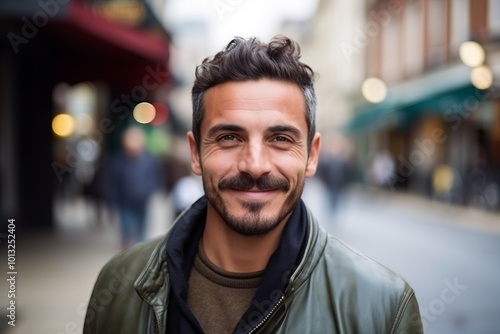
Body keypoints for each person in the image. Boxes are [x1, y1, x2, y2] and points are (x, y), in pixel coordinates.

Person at [84, 36, 423, 333]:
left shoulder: (383, 307)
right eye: (229, 137)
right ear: (195, 153)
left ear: (312, 155)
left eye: (280, 138)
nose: (255, 165)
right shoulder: (119, 285)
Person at [102, 126, 163, 249]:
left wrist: (149, 191)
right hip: (125, 202)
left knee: (142, 229)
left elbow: (156, 178)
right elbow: (112, 183)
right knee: (126, 228)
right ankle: (127, 251)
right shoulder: (119, 162)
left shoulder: (148, 160)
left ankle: (140, 250)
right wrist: (111, 201)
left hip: (142, 201)